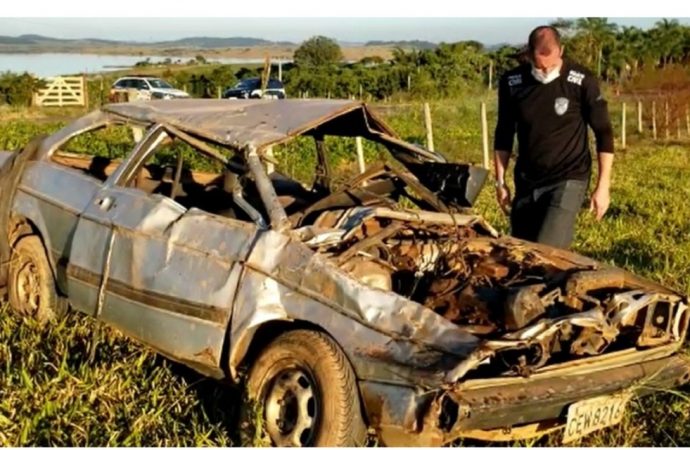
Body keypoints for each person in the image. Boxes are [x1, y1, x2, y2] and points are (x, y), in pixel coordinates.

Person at [493, 25, 614, 249]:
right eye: (540, 66)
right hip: (527, 181)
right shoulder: (512, 83)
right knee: (521, 252)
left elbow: (604, 132)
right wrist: (500, 182)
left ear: (561, 51)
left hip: (568, 177)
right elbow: (504, 133)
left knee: (547, 253)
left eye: (552, 66)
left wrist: (603, 185)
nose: (546, 72)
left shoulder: (582, 80)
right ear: (529, 55)